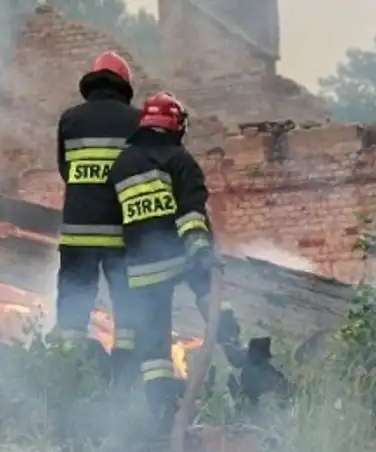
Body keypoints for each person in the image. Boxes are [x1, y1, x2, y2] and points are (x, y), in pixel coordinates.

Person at [106, 91, 238, 439]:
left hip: (140, 272)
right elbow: (191, 213)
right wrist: (200, 251)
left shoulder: (121, 166)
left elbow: (115, 225)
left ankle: (163, 415)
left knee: (154, 349)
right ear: (176, 125)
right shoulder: (180, 161)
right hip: (179, 258)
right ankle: (241, 356)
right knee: (211, 295)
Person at [53, 50, 141, 368]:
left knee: (75, 300)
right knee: (128, 304)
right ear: (124, 85)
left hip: (79, 231)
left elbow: (65, 169)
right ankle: (125, 371)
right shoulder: (136, 121)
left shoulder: (70, 119)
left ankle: (65, 366)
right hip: (122, 234)